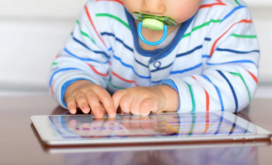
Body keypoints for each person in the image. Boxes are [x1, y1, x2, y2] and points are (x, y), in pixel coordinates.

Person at [49, 0, 260, 118]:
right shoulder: (100, 12)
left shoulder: (228, 16)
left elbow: (237, 82)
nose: (151, 6)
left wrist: (165, 96)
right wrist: (79, 87)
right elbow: (72, 63)